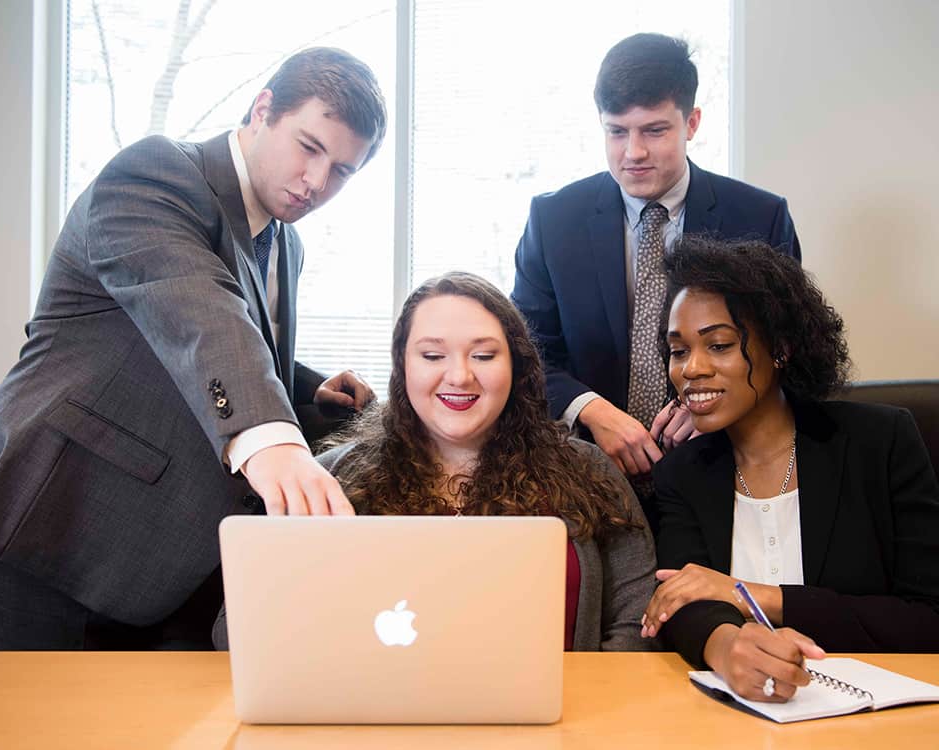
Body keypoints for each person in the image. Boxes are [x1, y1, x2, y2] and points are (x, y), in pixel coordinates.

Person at [0, 47, 387, 650]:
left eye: (342, 170)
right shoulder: (158, 174)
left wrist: (308, 388)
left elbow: (230, 337)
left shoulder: (286, 245)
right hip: (58, 523)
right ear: (263, 110)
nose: (317, 182)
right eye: (310, 148)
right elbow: (195, 311)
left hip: (172, 548)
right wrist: (274, 440)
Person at [213, 272, 657, 651]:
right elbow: (236, 629)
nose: (460, 375)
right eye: (432, 356)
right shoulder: (330, 477)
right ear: (402, 367)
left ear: (517, 365)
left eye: (483, 355)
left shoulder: (587, 471)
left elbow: (634, 618)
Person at [511, 33, 801, 527]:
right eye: (617, 132)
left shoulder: (759, 216)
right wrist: (591, 411)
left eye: (654, 130)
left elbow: (786, 345)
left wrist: (716, 400)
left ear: (692, 123)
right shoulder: (553, 218)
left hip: (722, 470)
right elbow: (526, 350)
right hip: (585, 479)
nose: (634, 152)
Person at [641, 237, 939, 703]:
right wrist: (726, 645)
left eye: (718, 345)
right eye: (678, 351)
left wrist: (748, 594)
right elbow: (681, 604)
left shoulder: (880, 442)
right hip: (746, 714)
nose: (692, 369)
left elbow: (927, 619)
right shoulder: (682, 473)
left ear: (780, 348)